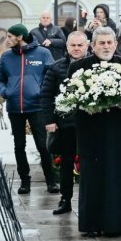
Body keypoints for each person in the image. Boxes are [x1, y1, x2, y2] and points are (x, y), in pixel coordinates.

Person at [70, 27, 121, 236]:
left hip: (119, 131)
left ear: (116, 44)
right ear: (93, 46)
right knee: (92, 178)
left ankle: (117, 224)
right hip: (92, 132)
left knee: (117, 177)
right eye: (102, 43)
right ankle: (91, 223)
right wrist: (86, 105)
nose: (106, 46)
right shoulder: (79, 67)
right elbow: (71, 96)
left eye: (109, 42)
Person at [0, 24, 58, 194]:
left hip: (37, 106)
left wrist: (42, 91)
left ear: (20, 37)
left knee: (42, 145)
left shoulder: (43, 53)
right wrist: (5, 91)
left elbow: (51, 76)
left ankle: (51, 181)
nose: (7, 40)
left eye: (10, 36)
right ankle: (25, 181)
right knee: (19, 145)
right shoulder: (7, 57)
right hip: (15, 108)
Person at [39, 30, 89, 214]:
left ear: (87, 45)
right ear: (67, 46)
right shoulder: (56, 67)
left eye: (80, 45)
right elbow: (46, 95)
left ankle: (90, 201)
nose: (76, 49)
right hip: (65, 124)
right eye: (73, 45)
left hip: (90, 125)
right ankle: (65, 200)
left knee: (90, 163)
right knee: (67, 164)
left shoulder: (95, 65)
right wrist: (49, 120)